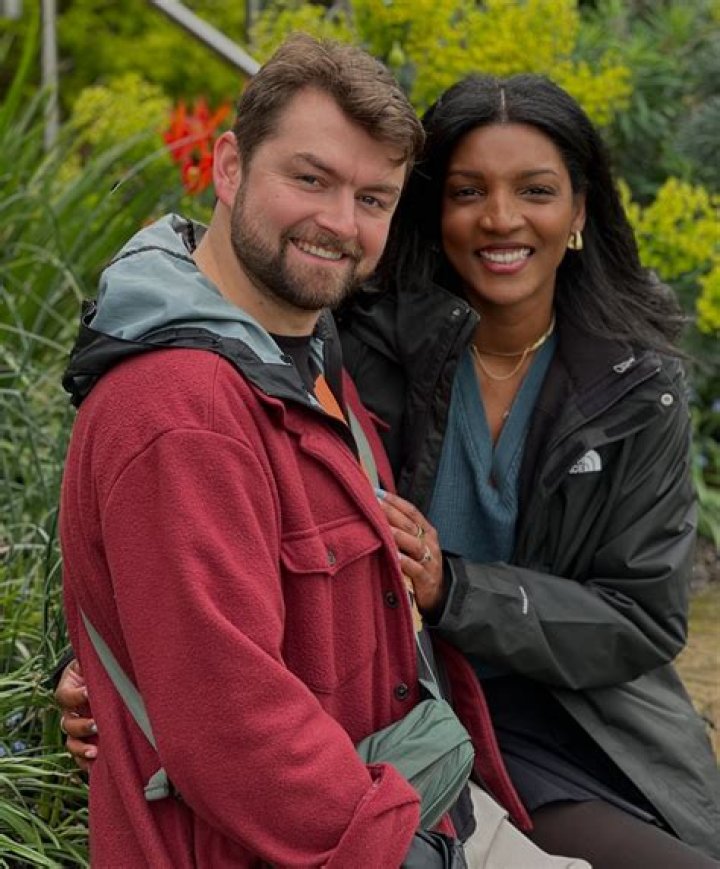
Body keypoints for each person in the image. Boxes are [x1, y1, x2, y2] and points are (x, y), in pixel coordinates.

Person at [58, 34, 461, 867]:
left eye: (373, 198)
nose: (340, 223)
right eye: (310, 179)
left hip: (391, 800)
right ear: (230, 167)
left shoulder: (297, 346)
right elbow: (233, 727)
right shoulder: (186, 410)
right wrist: (406, 849)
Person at [337, 73, 720, 867]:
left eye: (535, 190)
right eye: (468, 191)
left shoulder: (635, 385)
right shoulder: (362, 349)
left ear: (579, 210)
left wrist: (455, 588)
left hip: (582, 717)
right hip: (410, 706)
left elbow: (642, 616)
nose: (501, 218)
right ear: (432, 208)